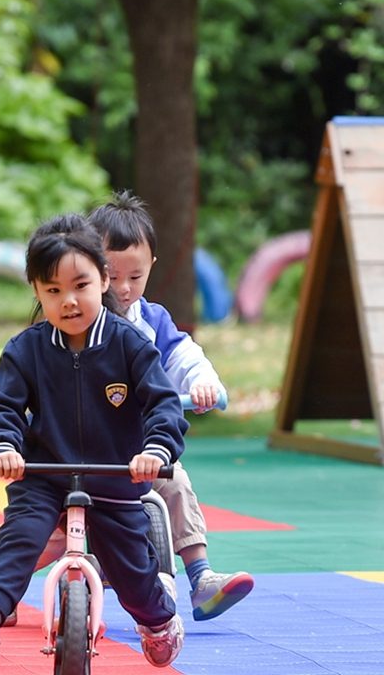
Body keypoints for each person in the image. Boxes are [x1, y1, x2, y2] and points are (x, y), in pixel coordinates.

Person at [0, 214, 187, 670]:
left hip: (114, 478)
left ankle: (158, 621)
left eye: (80, 286)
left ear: (103, 279)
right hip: (44, 475)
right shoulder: (26, 349)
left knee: (133, 574)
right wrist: (3, 448)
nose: (68, 301)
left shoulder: (130, 345)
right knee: (21, 536)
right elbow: (3, 408)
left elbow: (163, 406)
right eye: (52, 291)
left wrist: (155, 451)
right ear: (36, 291)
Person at [84, 191, 254, 620]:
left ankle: (200, 578)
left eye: (134, 277)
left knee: (174, 483)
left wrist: (201, 383)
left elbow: (182, 355)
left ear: (151, 269)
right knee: (43, 522)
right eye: (110, 274)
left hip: (142, 454)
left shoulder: (152, 321)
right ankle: (0, 591)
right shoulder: (79, 320)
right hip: (84, 456)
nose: (122, 289)